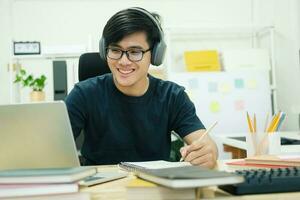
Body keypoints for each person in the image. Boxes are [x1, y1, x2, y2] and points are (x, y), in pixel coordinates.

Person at [65, 7, 218, 168]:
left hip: (154, 187)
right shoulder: (84, 94)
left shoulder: (172, 96)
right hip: (99, 187)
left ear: (155, 54)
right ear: (105, 50)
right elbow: (53, 146)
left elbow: (206, 145)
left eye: (135, 52)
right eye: (115, 50)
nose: (123, 61)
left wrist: (208, 153)